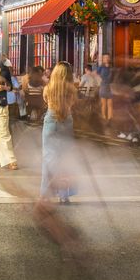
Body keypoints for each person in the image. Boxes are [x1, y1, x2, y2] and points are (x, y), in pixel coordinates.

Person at [40, 61, 78, 203]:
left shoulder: (48, 88)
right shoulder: (72, 89)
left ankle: (45, 195)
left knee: (49, 158)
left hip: (51, 120)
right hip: (66, 121)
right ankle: (64, 195)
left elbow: (45, 100)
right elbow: (72, 103)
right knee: (65, 158)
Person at [97, 54, 114, 123]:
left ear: (109, 59)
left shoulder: (111, 67)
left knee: (110, 104)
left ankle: (110, 118)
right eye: (105, 58)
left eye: (107, 57)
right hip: (103, 86)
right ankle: (103, 117)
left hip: (110, 86)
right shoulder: (101, 67)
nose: (106, 59)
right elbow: (97, 75)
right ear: (103, 59)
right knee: (103, 104)